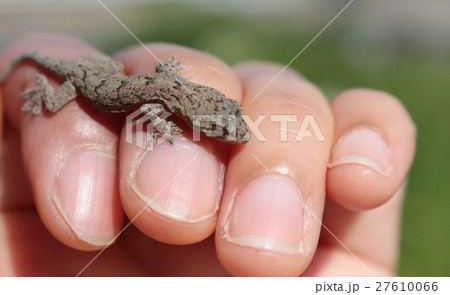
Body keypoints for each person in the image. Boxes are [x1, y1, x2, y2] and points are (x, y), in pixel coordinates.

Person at [0, 33, 416, 276]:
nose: (232, 132)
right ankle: (38, 84)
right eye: (216, 126)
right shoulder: (160, 101)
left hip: (108, 74)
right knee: (53, 105)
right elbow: (149, 106)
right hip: (90, 84)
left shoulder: (169, 90)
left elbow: (160, 88)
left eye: (226, 119)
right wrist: (162, 128)